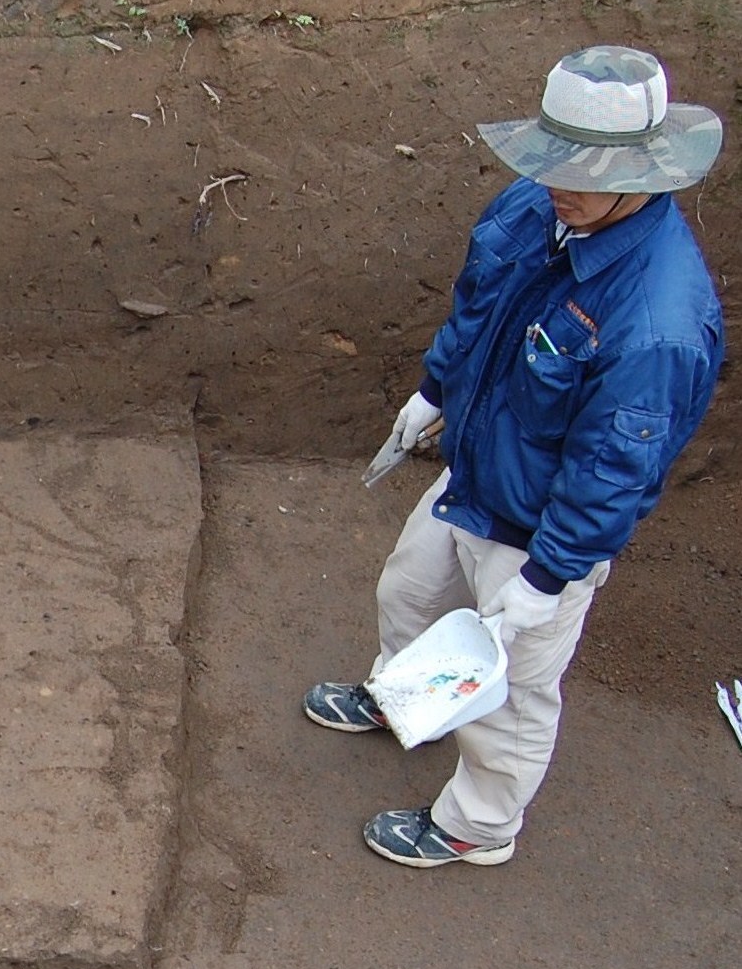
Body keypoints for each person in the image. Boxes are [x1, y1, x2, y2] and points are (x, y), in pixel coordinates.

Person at [304, 45, 724, 868]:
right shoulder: (542, 206)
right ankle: (410, 699)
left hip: (541, 531)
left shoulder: (655, 323)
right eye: (554, 157)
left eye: (582, 168)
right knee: (411, 590)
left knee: (512, 693)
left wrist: (548, 578)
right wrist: (435, 390)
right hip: (479, 471)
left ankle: (478, 824)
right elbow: (482, 302)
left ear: (644, 171)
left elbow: (614, 471)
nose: (557, 179)